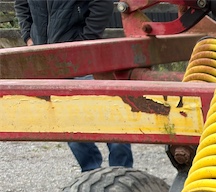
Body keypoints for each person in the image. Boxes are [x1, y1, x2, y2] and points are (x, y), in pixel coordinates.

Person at [15, 0, 134, 171]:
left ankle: (122, 173)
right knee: (67, 120)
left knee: (107, 114)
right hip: (47, 58)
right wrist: (28, 36)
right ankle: (91, 174)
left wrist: (85, 39)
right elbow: (21, 4)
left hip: (81, 57)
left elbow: (102, 4)